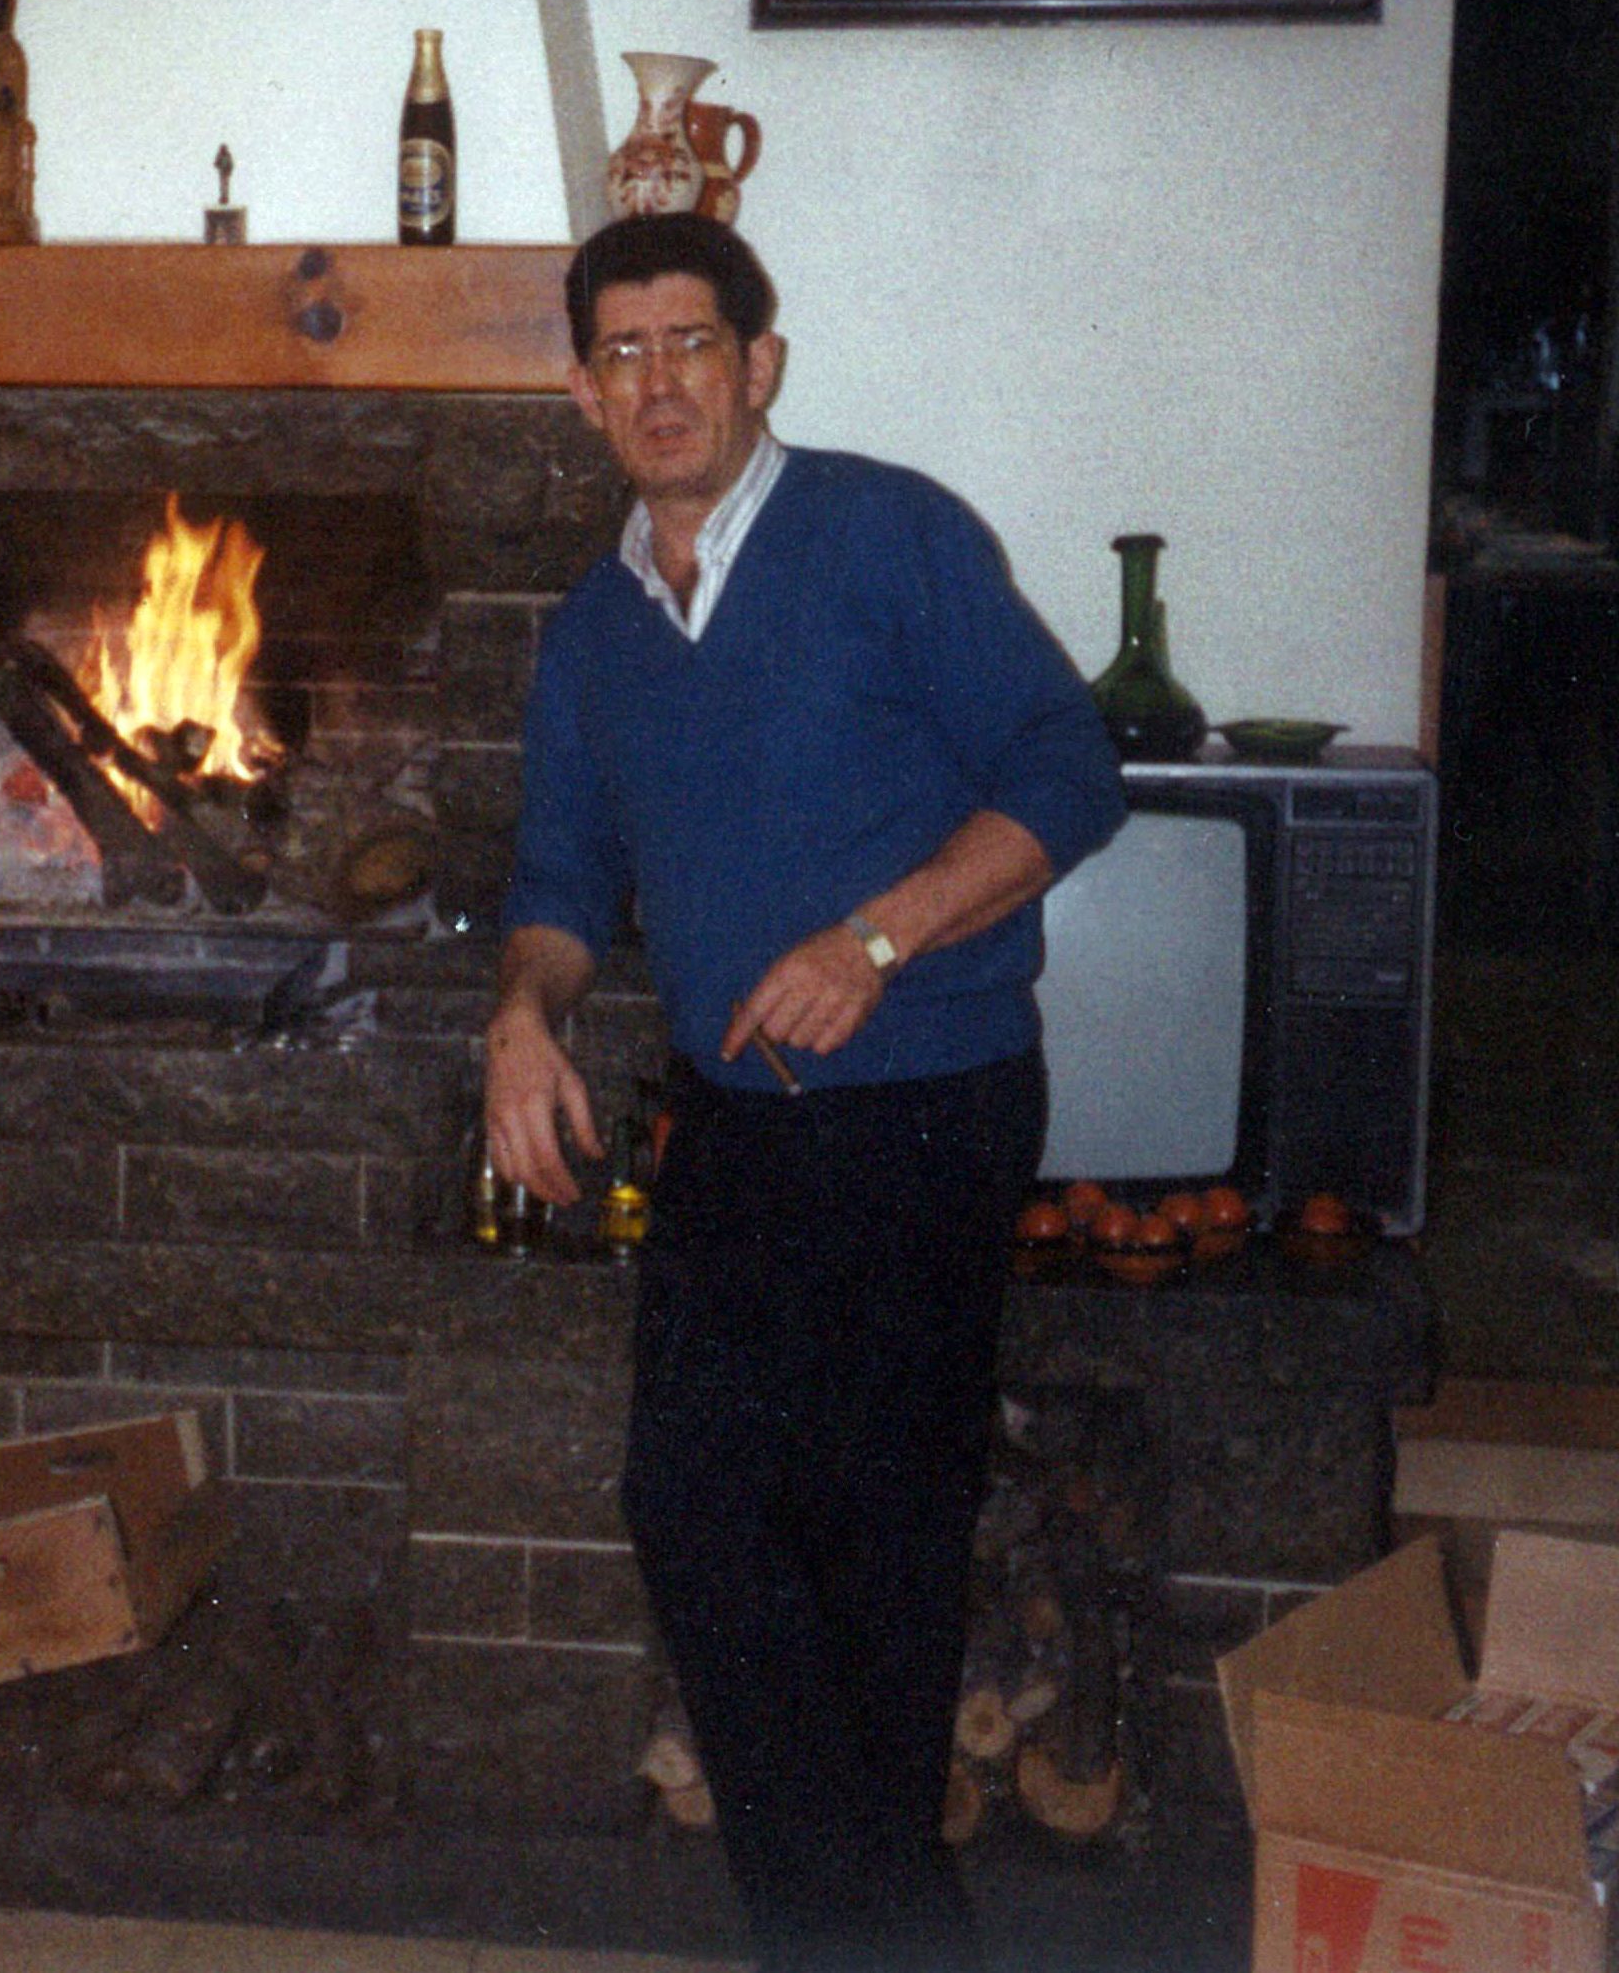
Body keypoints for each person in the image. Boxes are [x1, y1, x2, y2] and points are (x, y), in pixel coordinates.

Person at [483, 215, 1125, 1969]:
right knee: (688, 1503)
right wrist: (519, 1020)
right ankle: (873, 1938)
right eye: (622, 351)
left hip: (928, 1102)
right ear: (578, 388)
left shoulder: (886, 534)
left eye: (693, 342)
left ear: (760, 364)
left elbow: (1071, 766)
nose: (660, 380)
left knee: (878, 1544)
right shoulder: (594, 630)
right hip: (736, 1122)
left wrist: (880, 939)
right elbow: (556, 883)